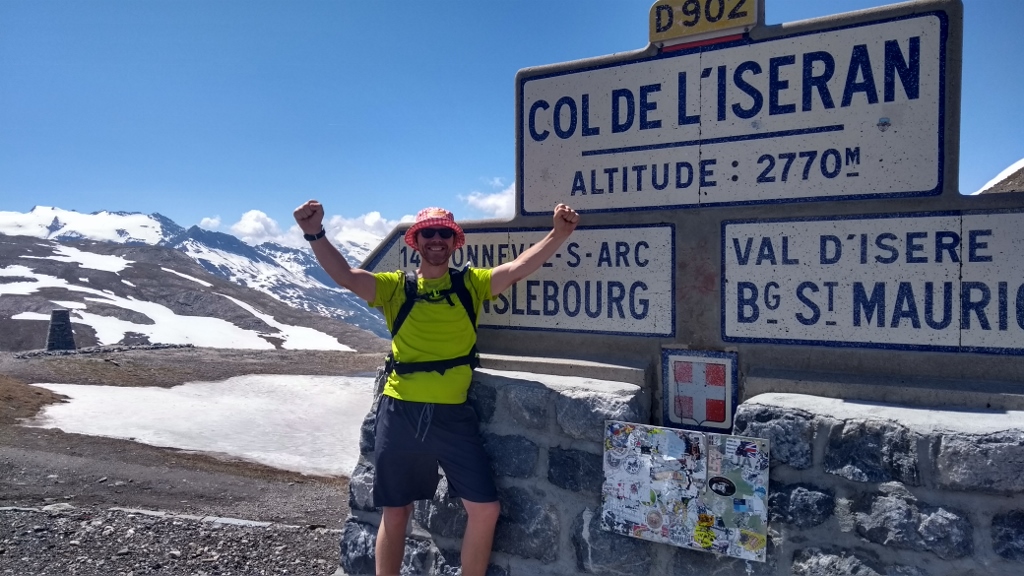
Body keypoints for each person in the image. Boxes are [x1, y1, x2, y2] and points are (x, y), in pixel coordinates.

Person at [293, 200, 579, 576]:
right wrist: (314, 233)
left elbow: (516, 268)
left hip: (452, 415)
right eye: (428, 233)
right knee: (396, 513)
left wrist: (558, 234)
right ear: (416, 241)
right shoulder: (396, 288)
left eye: (444, 233)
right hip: (401, 410)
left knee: (486, 509)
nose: (436, 240)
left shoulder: (470, 284)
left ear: (454, 241)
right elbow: (346, 275)